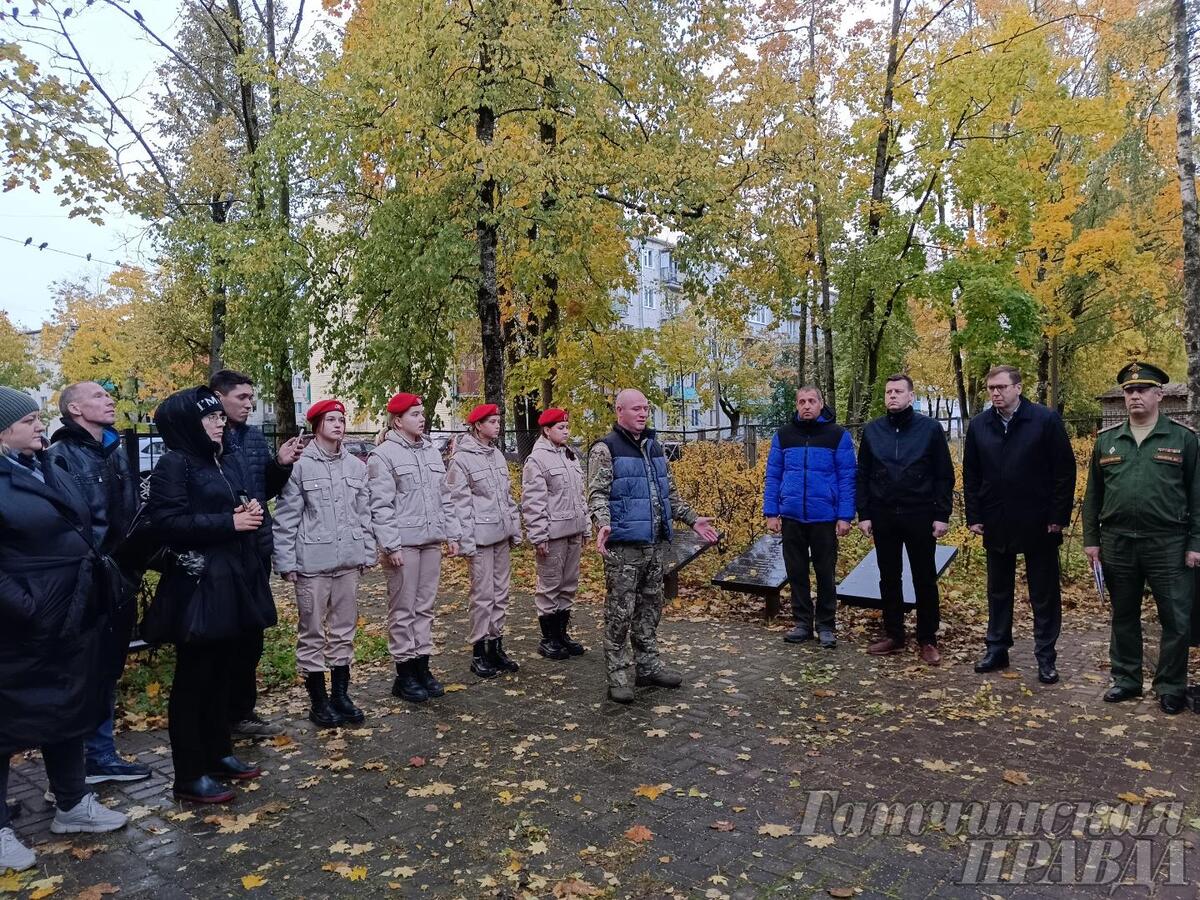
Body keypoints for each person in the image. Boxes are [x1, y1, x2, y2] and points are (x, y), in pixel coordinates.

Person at [0, 386, 128, 872]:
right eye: (28, 420)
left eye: (38, 419)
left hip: (70, 611)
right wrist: (27, 606)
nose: (39, 426)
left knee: (67, 707)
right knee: (5, 726)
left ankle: (72, 805)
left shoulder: (46, 465)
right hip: (20, 624)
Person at [142, 387, 276, 802]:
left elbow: (238, 505)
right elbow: (165, 523)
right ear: (187, 424)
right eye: (211, 417)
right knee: (194, 681)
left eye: (221, 416)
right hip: (198, 589)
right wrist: (228, 523)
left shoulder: (222, 458)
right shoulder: (174, 464)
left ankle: (219, 753)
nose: (221, 423)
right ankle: (189, 773)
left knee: (224, 673)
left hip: (233, 580)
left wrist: (246, 512)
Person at [45, 381, 150, 784]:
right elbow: (66, 524)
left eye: (109, 396)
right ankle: (89, 759)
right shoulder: (59, 458)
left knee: (108, 667)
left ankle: (102, 754)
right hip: (87, 581)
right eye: (98, 396)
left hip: (120, 577)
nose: (109, 400)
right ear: (75, 409)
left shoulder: (115, 449)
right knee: (85, 670)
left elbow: (130, 514)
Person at [1082, 362, 1200, 715]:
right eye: (1129, 391)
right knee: (1124, 614)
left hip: (1169, 543)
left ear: (1158, 395)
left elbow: (1197, 495)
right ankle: (1127, 679)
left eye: (1142, 390)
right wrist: (1092, 540)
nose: (1134, 395)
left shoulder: (1183, 439)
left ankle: (1171, 685)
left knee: (1176, 619)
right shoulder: (1108, 441)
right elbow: (1093, 496)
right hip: (1118, 542)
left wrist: (1196, 543)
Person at [587, 389, 719, 704]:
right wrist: (602, 523)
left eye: (646, 408)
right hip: (624, 548)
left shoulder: (654, 446)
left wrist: (692, 519)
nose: (643, 413)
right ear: (619, 411)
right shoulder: (606, 449)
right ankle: (617, 676)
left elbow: (667, 493)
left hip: (654, 545)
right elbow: (597, 493)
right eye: (636, 408)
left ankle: (648, 667)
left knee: (650, 609)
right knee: (620, 613)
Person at [963, 365, 1076, 684]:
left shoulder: (1044, 420)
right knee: (998, 589)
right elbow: (971, 474)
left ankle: (1045, 656)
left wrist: (1057, 517)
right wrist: (974, 515)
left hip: (1038, 521)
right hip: (996, 519)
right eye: (990, 388)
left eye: (1001, 387)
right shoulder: (980, 425)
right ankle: (997, 648)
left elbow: (1064, 472)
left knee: (1044, 592)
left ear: (1018, 388)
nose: (995, 393)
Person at [210, 370, 303, 738]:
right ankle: (221, 714)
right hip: (224, 549)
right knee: (226, 635)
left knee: (252, 632)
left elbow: (264, 488)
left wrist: (280, 464)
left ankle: (243, 711)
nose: (250, 404)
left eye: (251, 398)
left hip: (256, 547)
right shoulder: (207, 438)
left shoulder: (251, 436)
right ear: (219, 397)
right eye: (242, 398)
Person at [273, 399, 375, 728]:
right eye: (331, 419)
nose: (338, 424)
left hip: (347, 561)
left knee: (344, 631)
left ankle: (340, 696)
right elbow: (287, 517)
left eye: (342, 419)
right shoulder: (301, 466)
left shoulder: (356, 467)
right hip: (312, 564)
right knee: (312, 632)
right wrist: (286, 561)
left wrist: (368, 550)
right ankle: (318, 701)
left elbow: (365, 514)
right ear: (317, 425)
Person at [366, 393, 460, 703]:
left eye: (422, 413)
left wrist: (453, 534)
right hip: (403, 545)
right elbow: (380, 505)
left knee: (425, 608)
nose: (422, 418)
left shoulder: (431, 453)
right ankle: (404, 673)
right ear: (397, 420)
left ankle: (422, 667)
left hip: (430, 541)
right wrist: (390, 544)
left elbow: (445, 496)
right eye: (415, 414)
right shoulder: (384, 456)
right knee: (403, 610)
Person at [857, 374, 954, 666]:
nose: (892, 396)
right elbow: (863, 475)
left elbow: (943, 475)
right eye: (888, 392)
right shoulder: (873, 431)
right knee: (889, 577)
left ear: (911, 396)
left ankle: (927, 638)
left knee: (924, 577)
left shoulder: (930, 429)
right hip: (884, 514)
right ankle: (894, 635)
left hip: (920, 513)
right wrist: (865, 514)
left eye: (899, 391)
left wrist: (941, 514)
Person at [763, 386, 856, 649]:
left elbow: (847, 478)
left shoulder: (837, 436)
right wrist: (771, 512)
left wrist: (845, 516)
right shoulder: (784, 435)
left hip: (824, 517)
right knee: (796, 573)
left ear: (821, 404)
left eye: (811, 401)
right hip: (791, 516)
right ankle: (802, 623)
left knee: (825, 573)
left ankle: (826, 625)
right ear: (796, 405)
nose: (806, 405)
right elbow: (773, 475)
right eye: (801, 401)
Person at [447, 404, 524, 677]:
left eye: (498, 420)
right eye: (491, 421)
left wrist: (515, 529)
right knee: (483, 596)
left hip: (501, 535)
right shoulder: (462, 460)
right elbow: (460, 505)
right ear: (477, 425)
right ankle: (479, 652)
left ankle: (496, 645)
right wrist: (465, 542)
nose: (497, 425)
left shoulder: (497, 456)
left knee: (501, 593)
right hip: (480, 538)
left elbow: (507, 498)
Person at [521, 408, 590, 660]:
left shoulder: (569, 456)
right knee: (549, 585)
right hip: (553, 534)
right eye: (560, 427)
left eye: (567, 427)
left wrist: (586, 527)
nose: (566, 431)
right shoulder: (537, 460)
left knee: (568, 584)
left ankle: (562, 635)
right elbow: (533, 502)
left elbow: (580, 497)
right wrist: (538, 536)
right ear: (546, 430)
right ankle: (548, 638)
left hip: (573, 529)